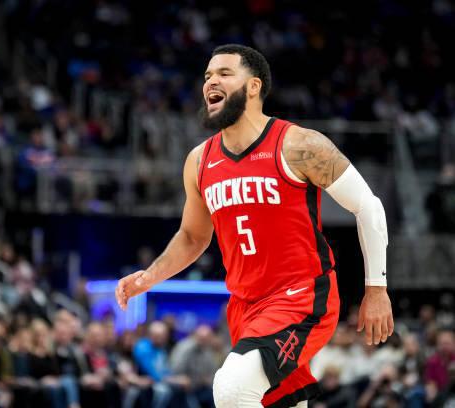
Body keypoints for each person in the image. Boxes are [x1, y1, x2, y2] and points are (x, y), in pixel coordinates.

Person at [115, 44, 394, 407]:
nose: (211, 82)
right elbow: (193, 236)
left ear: (253, 86)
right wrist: (149, 277)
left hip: (301, 297)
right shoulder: (199, 161)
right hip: (245, 307)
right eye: (207, 76)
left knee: (231, 389)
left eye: (224, 73)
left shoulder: (299, 145)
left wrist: (376, 289)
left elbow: (369, 206)